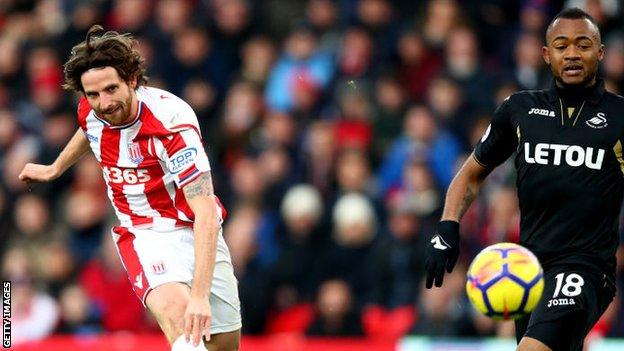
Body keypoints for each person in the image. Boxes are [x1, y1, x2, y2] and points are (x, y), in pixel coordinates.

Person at [18, 25, 241, 351]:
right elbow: (88, 128)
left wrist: (199, 296)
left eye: (111, 90)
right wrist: (56, 167)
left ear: (132, 80)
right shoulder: (91, 109)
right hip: (144, 234)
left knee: (222, 345)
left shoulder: (170, 127)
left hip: (197, 229)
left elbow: (206, 214)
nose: (103, 103)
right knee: (187, 330)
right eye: (92, 94)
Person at [424, 8, 622, 351]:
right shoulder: (520, 110)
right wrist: (447, 227)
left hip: (586, 269)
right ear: (546, 54)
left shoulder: (620, 116)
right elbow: (471, 173)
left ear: (600, 52)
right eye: (561, 46)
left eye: (583, 44)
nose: (572, 53)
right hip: (528, 272)